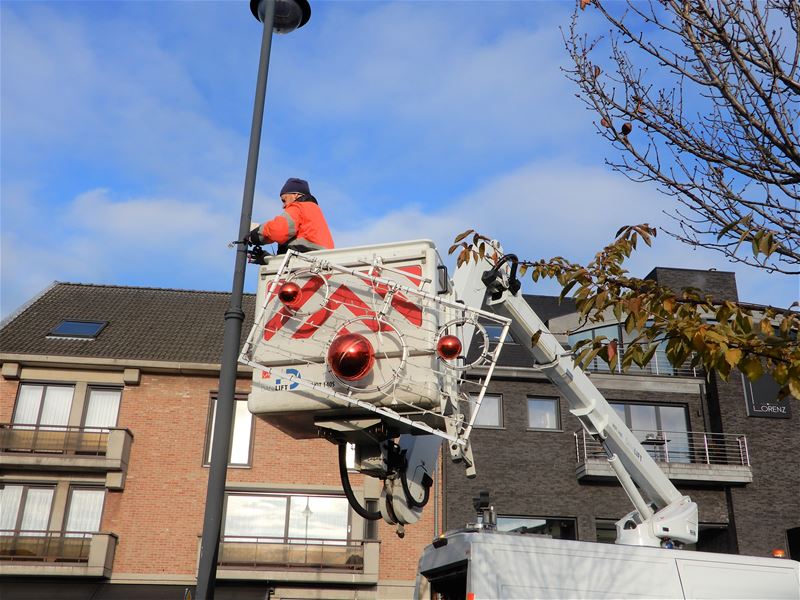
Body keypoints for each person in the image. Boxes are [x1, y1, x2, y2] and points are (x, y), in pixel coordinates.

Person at [245, 177, 334, 254]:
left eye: (284, 200)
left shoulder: (300, 207)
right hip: (319, 263)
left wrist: (255, 234)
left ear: (296, 195)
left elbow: (278, 231)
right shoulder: (313, 210)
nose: (283, 206)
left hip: (307, 262)